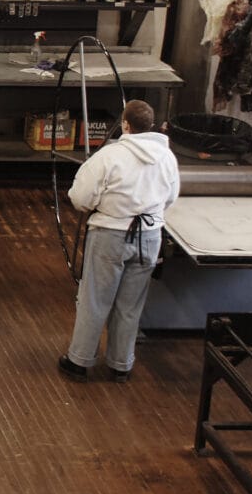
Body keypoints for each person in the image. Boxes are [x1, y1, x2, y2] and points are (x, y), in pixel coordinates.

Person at [61, 100, 180, 380]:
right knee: (131, 303)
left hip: (110, 234)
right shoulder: (167, 157)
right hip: (149, 237)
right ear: (150, 125)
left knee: (95, 298)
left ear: (125, 124)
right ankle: (120, 365)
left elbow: (80, 198)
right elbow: (171, 198)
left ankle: (79, 360)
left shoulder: (109, 157)